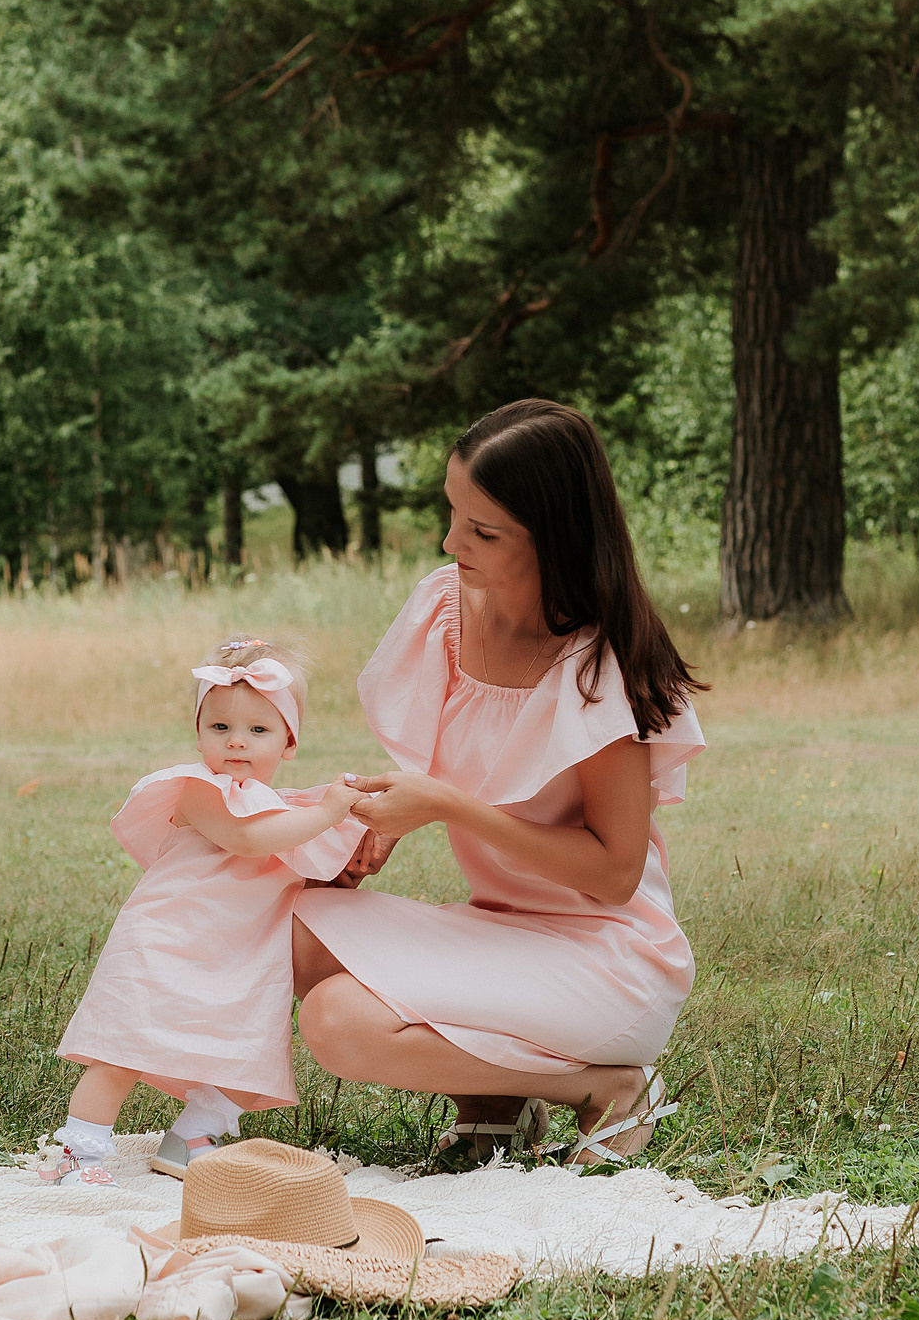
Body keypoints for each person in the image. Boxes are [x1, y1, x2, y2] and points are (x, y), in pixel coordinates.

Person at [293, 399, 706, 1168]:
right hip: (503, 931)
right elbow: (429, 765)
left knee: (338, 1022)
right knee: (297, 927)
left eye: (484, 532)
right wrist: (377, 823)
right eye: (453, 512)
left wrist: (449, 807)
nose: (453, 542)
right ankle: (492, 1102)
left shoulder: (596, 665)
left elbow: (616, 875)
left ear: (555, 539)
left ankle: (603, 1087)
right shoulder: (447, 611)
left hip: (606, 957)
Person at [46, 639, 368, 1187]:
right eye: (220, 728)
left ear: (289, 743)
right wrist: (329, 812)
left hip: (239, 952)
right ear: (199, 733)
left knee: (247, 1055)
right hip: (167, 939)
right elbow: (248, 839)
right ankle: (82, 1151)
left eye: (258, 730)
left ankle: (191, 1136)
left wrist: (347, 826)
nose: (237, 742)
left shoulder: (288, 808)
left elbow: (302, 853)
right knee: (122, 1048)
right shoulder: (197, 790)